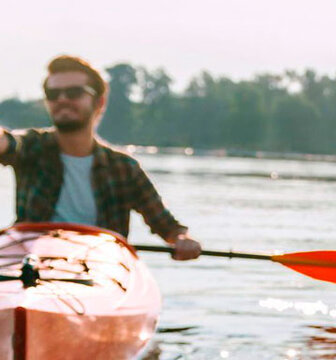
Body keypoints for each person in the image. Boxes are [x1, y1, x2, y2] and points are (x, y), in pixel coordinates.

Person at [0, 55, 201, 258]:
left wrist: (182, 240)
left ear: (99, 102)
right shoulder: (32, 147)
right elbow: (7, 144)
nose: (62, 99)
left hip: (101, 268)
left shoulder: (124, 168)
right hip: (32, 263)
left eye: (74, 92)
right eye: (53, 94)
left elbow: (167, 226)